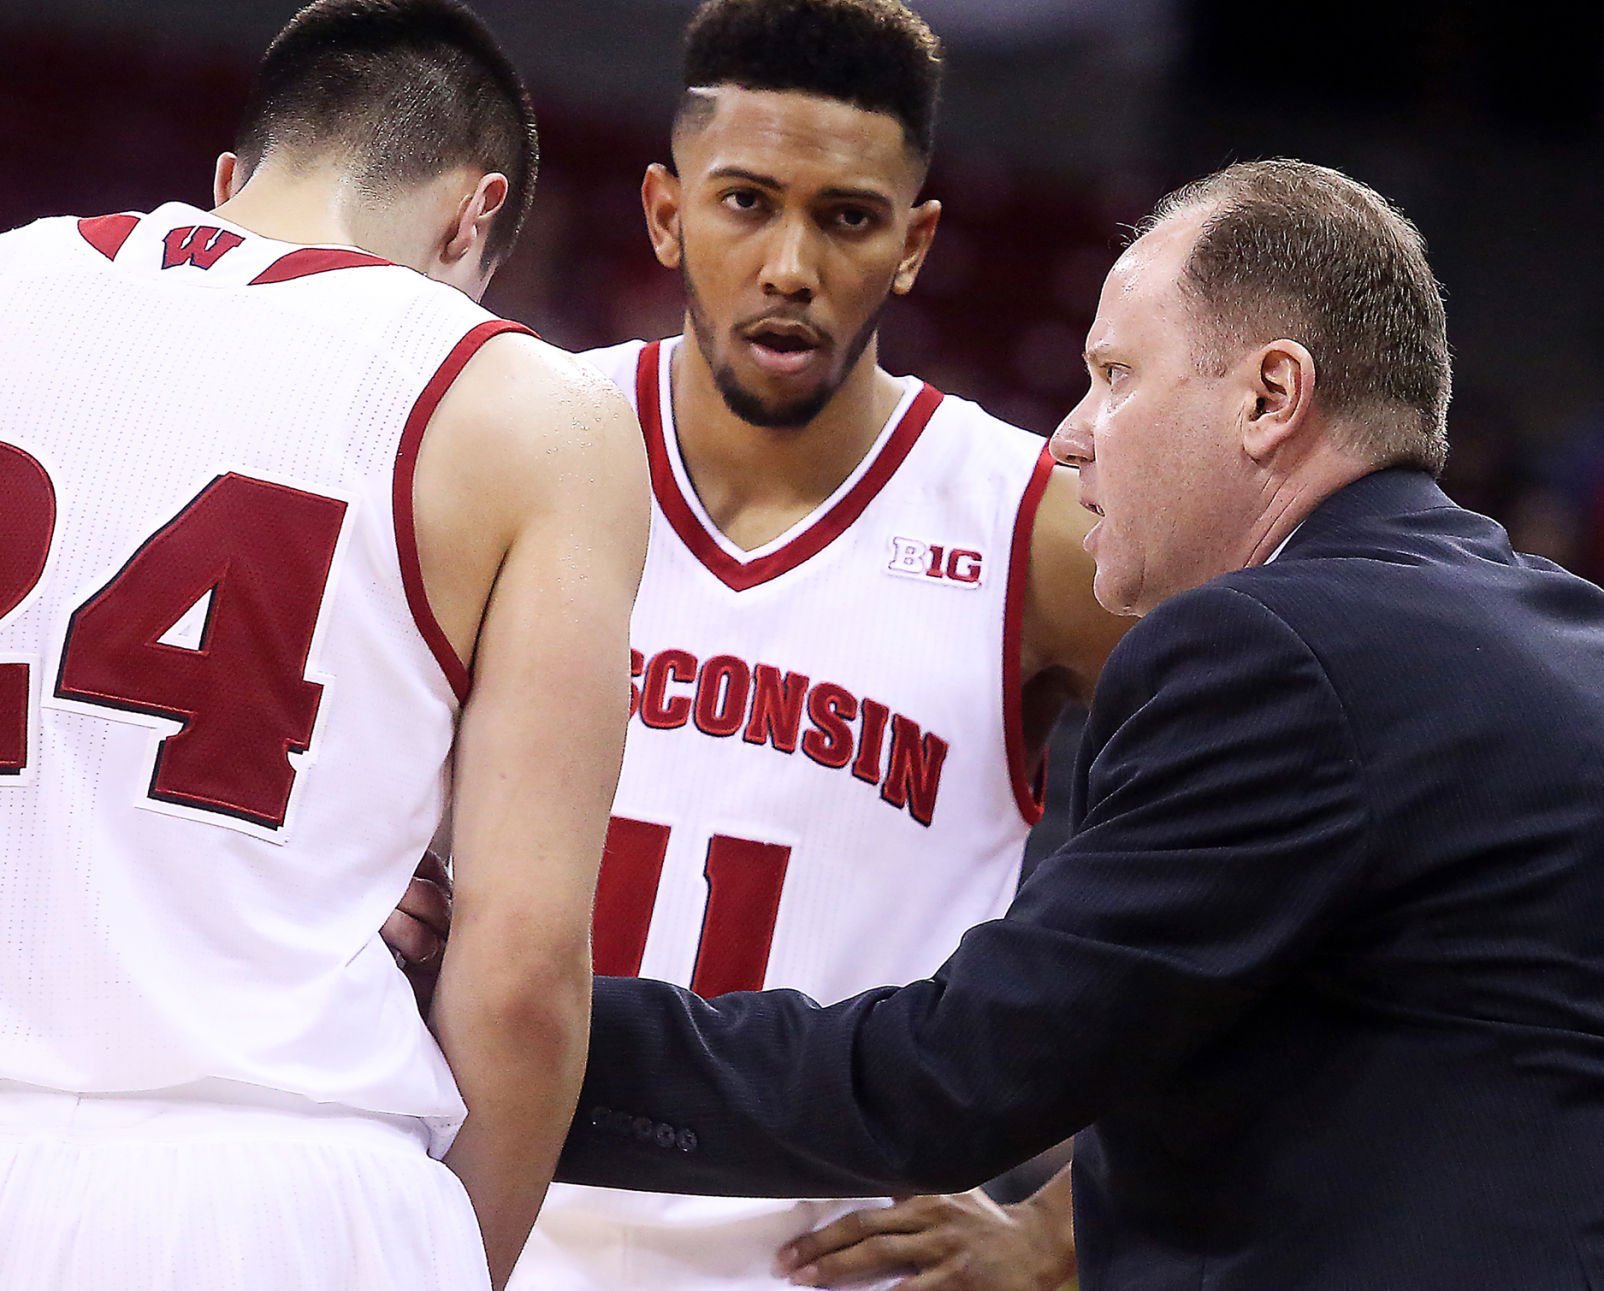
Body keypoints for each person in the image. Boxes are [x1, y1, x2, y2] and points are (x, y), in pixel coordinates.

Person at [551, 158, 1604, 1290]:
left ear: (1268, 396)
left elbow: (958, 1077)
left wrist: (527, 1032)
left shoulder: (1275, 650)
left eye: (1113, 376)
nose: (1067, 435)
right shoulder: (1555, 635)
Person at [0, 3, 645, 1289]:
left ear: (231, 178)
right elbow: (520, 976)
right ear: (476, 220)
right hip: (276, 1186)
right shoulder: (526, 405)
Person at [497, 1, 1121, 1287]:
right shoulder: (507, 444)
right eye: (745, 203)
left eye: (845, 216)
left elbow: (1275, 883)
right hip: (480, 1235)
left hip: (828, 1265)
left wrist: (1068, 1227)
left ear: (913, 241)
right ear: (665, 213)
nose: (790, 263)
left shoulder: (1036, 527)